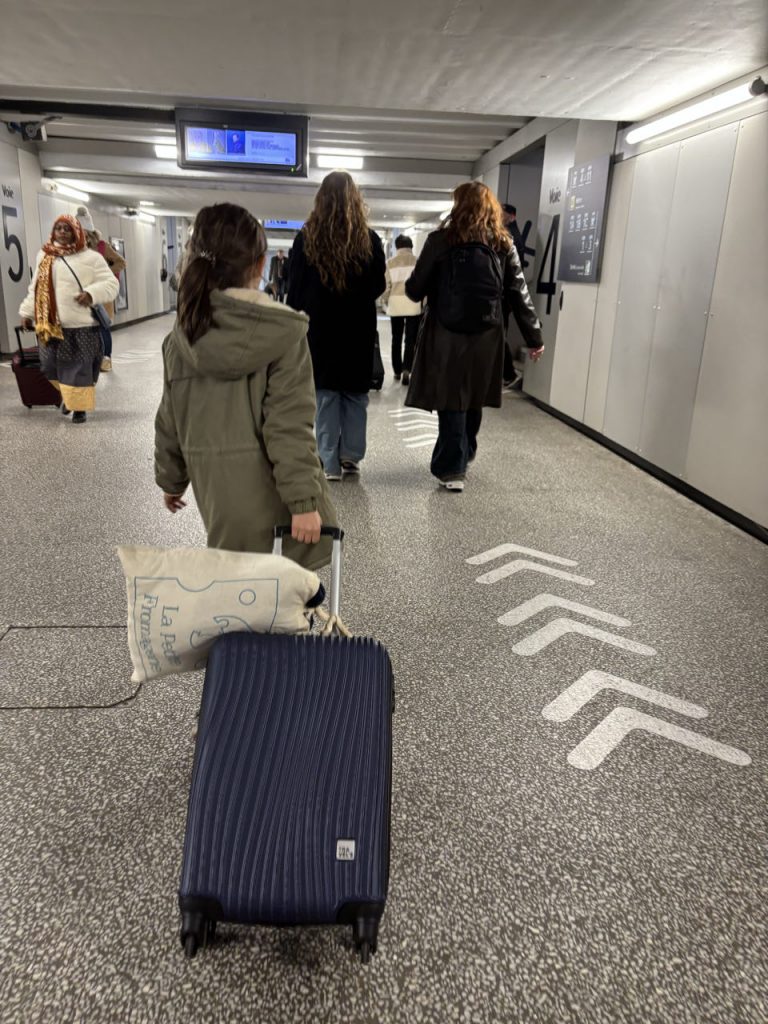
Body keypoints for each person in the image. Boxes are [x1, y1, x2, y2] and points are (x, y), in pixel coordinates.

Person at [154, 202, 337, 570]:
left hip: (218, 498)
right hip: (276, 499)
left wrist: (171, 480)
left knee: (237, 581)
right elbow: (289, 425)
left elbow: (169, 419)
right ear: (260, 264)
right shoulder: (282, 333)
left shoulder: (181, 338)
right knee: (285, 590)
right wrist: (303, 502)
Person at [404, 181, 544, 492]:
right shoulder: (503, 244)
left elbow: (414, 290)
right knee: (473, 394)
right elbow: (519, 293)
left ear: (458, 206)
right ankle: (465, 453)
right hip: (487, 335)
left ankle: (452, 468)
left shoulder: (440, 240)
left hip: (445, 332)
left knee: (451, 396)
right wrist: (534, 337)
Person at [287, 171, 386, 481]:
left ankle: (328, 461)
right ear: (355, 200)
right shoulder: (369, 239)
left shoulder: (306, 239)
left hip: (320, 329)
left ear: (321, 200)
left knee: (326, 394)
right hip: (358, 328)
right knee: (355, 394)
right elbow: (378, 285)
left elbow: (294, 289)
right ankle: (351, 456)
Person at [19, 214, 119, 423]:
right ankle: (69, 397)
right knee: (49, 366)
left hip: (81, 325)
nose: (63, 232)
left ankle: (79, 408)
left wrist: (91, 294)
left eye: (67, 229)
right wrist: (27, 313)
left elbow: (111, 284)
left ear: (77, 232)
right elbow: (35, 287)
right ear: (53, 231)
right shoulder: (45, 256)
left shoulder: (91, 258)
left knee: (80, 368)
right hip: (50, 325)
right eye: (59, 228)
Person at [76, 206, 126, 372]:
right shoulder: (75, 249)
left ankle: (106, 358)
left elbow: (121, 262)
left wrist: (106, 273)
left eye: (83, 232)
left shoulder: (103, 247)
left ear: (89, 232)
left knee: (103, 325)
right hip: (83, 294)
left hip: (101, 293)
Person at [382, 234, 421, 385]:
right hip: (413, 304)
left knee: (396, 338)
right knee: (410, 339)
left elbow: (386, 286)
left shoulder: (390, 263)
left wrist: (386, 300)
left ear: (396, 246)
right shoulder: (417, 261)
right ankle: (407, 370)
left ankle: (397, 370)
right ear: (411, 246)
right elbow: (421, 284)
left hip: (396, 306)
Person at [501, 203, 528, 388]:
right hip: (506, 294)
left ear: (512, 216)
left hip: (505, 294)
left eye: (502, 214)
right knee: (498, 333)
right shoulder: (510, 234)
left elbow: (512, 271)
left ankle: (509, 373)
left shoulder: (511, 237)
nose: (499, 217)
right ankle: (506, 373)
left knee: (498, 334)